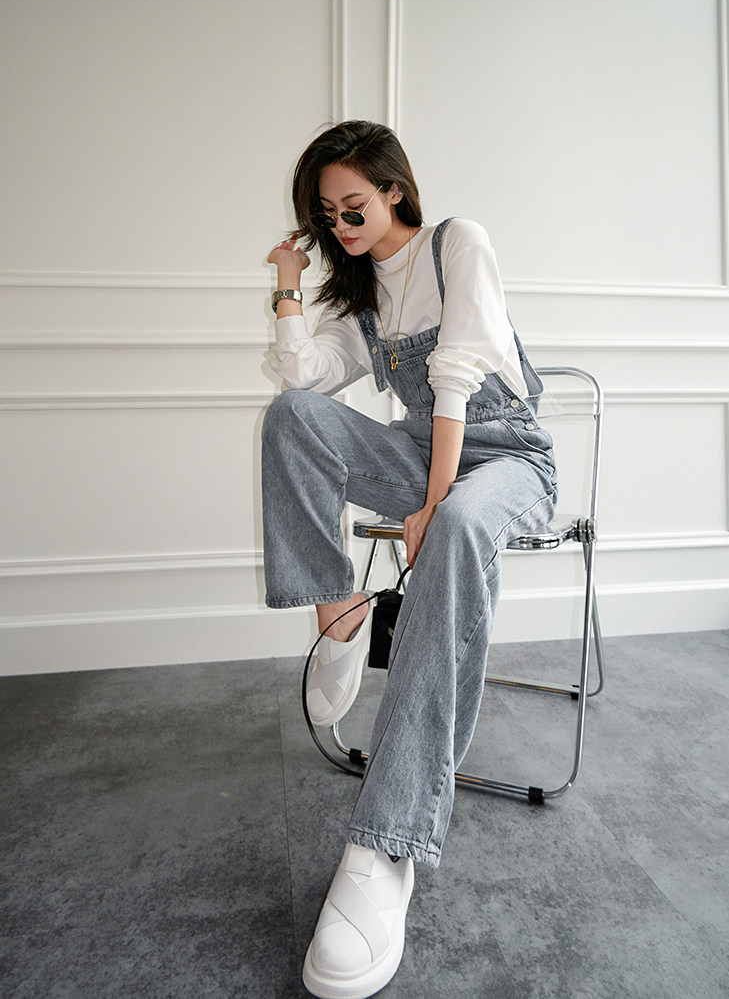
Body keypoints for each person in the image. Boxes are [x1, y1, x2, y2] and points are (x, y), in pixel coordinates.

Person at [262, 120, 557, 998]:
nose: (342, 227)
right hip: (427, 455)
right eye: (328, 216)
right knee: (291, 421)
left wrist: (432, 501)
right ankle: (340, 616)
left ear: (395, 188)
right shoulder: (362, 300)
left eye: (353, 207)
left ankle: (387, 842)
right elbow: (303, 382)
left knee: (458, 526)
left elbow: (457, 374)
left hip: (507, 458)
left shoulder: (456, 244)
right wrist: (288, 286)